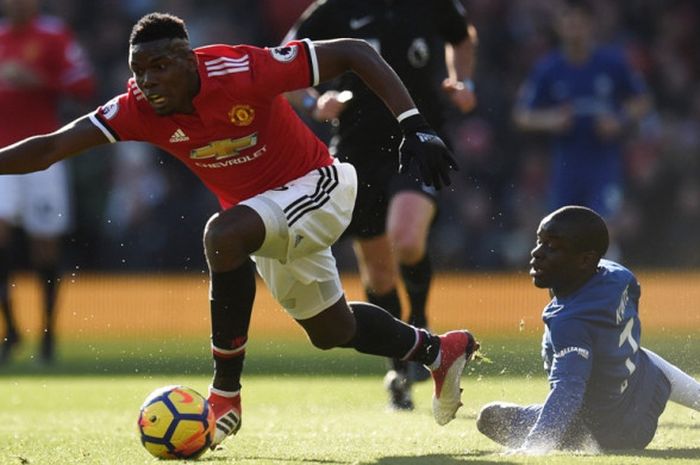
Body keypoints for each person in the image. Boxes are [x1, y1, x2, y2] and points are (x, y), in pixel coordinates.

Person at [0, 12, 480, 448]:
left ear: (189, 60)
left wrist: (413, 123)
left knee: (220, 235)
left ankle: (224, 393)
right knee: (332, 329)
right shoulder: (136, 108)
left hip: (319, 186)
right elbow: (48, 148)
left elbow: (355, 52)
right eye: (139, 71)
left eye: (160, 67)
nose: (147, 81)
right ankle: (439, 351)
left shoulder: (242, 70)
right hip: (265, 218)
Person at [285, 0, 478, 410]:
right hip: (357, 151)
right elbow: (284, 61)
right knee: (378, 270)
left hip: (419, 140)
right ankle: (400, 366)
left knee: (406, 239)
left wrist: (464, 83)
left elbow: (461, 38)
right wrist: (313, 102)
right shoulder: (332, 10)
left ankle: (420, 321)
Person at [476, 205, 700, 454]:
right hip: (647, 394)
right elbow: (628, 341)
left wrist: (533, 448)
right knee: (633, 354)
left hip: (609, 434)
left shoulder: (570, 321)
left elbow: (568, 391)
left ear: (584, 260)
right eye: (540, 241)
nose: (537, 252)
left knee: (490, 417)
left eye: (552, 246)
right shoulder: (620, 276)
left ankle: (585, 442)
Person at [512, 0, 651, 258]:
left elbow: (642, 102)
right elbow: (522, 115)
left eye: (579, 21)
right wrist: (551, 120)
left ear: (590, 25)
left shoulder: (612, 63)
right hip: (566, 166)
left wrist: (618, 120)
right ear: (559, 26)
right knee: (563, 234)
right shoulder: (549, 69)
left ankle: (608, 294)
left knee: (605, 229)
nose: (574, 28)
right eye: (568, 21)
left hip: (603, 164)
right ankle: (570, 297)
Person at [0, 0, 95, 364]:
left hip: (43, 157)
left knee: (45, 247)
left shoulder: (53, 36)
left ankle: (47, 334)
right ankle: (10, 329)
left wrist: (39, 81)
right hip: (3, 157)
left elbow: (83, 84)